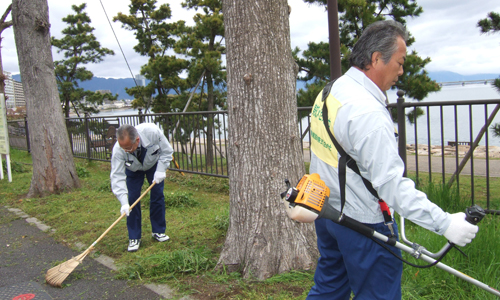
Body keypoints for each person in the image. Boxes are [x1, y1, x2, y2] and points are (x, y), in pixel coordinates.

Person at [307, 20, 479, 299]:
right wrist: (445, 223)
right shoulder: (367, 112)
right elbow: (391, 186)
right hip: (363, 223)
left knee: (328, 288)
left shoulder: (331, 90)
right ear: (376, 59)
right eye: (399, 62)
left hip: (327, 212)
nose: (401, 70)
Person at [110, 123, 174, 252]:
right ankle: (134, 237)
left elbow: (167, 151)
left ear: (137, 140)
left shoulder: (153, 132)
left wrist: (161, 170)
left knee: (157, 195)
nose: (125, 151)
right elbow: (117, 176)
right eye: (123, 148)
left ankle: (158, 231)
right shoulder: (118, 149)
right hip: (133, 169)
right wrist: (123, 202)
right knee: (132, 199)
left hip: (153, 164)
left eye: (128, 148)